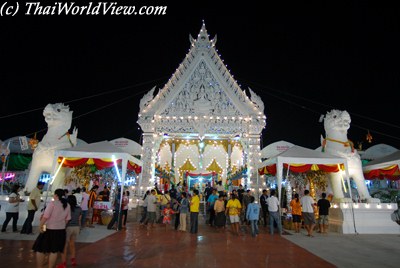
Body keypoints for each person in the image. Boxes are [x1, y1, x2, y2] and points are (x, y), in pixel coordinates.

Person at [32, 188, 71, 268]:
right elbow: (67, 219)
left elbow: (45, 217)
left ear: (56, 195)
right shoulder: (67, 205)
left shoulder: (52, 204)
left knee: (40, 249)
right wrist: (61, 225)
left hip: (48, 228)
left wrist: (40, 226)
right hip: (61, 230)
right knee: (54, 251)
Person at [58, 195, 82, 268]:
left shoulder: (66, 208)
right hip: (76, 227)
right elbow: (79, 219)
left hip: (68, 227)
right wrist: (79, 228)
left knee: (64, 246)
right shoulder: (79, 208)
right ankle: (73, 260)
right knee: (72, 244)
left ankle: (63, 263)